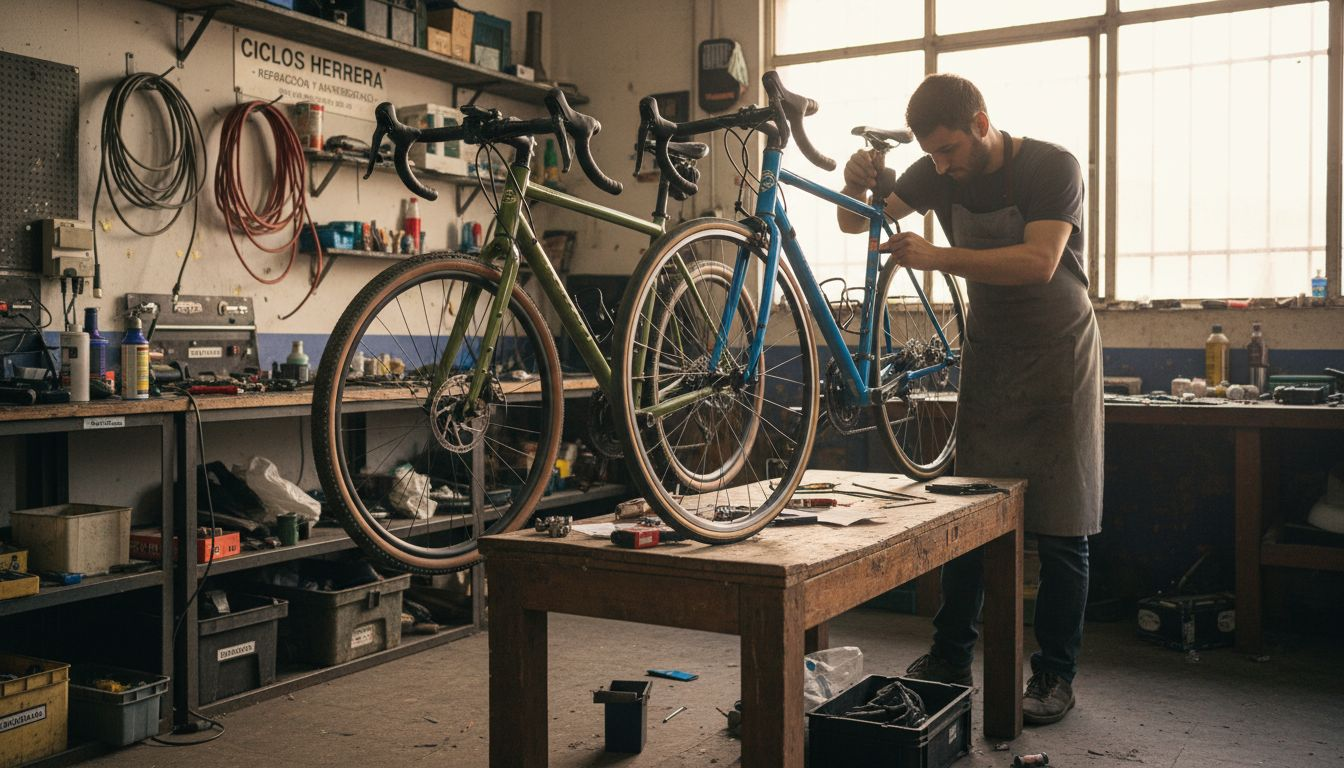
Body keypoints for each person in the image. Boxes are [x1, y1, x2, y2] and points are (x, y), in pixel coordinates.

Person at [836, 73, 1102, 726]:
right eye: (933, 155)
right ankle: (951, 653)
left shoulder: (1051, 166)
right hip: (992, 349)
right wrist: (854, 181)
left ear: (981, 123)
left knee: (1061, 525)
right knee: (971, 513)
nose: (943, 167)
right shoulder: (937, 171)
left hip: (1058, 347)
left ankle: (1055, 676)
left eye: (951, 149)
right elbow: (855, 222)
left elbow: (1040, 262)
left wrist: (937, 255)